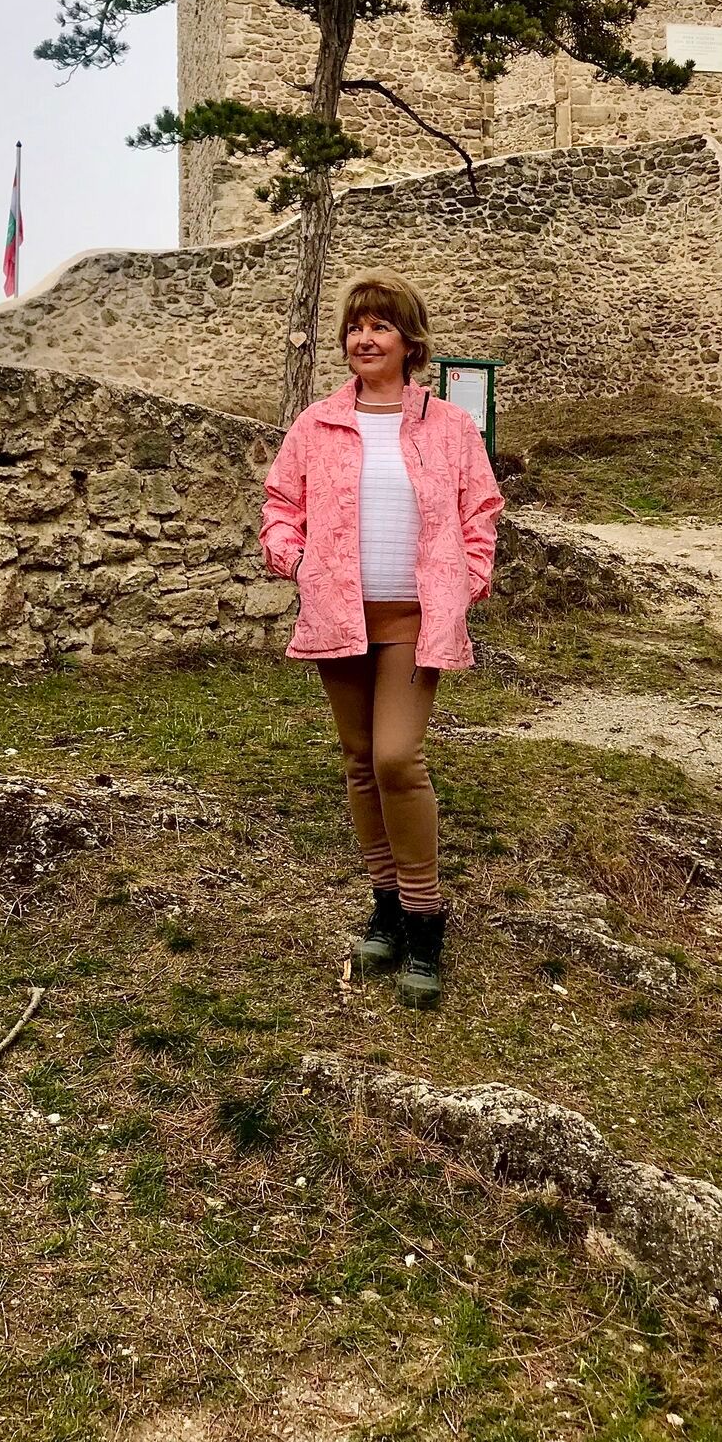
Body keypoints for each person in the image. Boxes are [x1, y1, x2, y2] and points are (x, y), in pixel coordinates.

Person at [259, 270, 504, 1009]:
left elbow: (481, 511)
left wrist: (467, 579)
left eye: (380, 326)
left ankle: (426, 918)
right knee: (361, 761)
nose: (364, 339)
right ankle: (387, 905)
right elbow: (281, 503)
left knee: (398, 757)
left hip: (414, 619)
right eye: (355, 327)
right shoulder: (316, 424)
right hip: (339, 614)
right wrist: (296, 560)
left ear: (409, 341)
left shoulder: (449, 427)